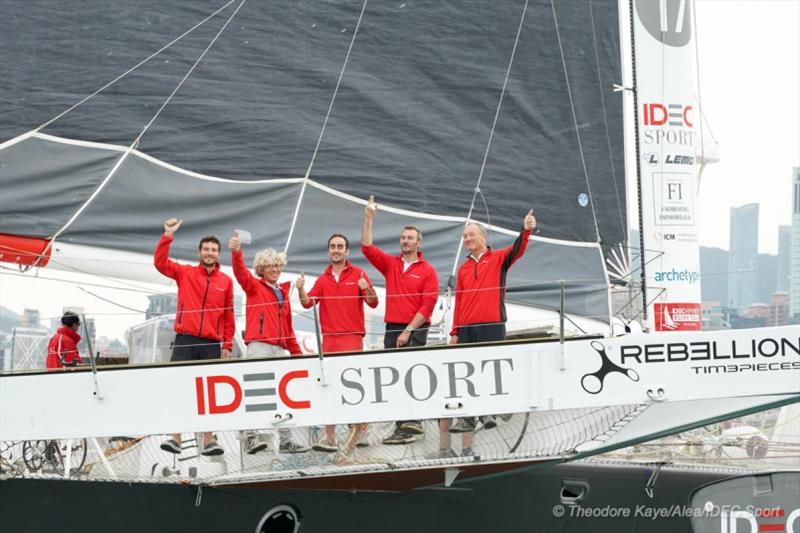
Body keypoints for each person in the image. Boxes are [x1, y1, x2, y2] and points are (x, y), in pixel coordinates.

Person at [441, 210, 536, 457]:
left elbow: (519, 250)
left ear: (483, 237)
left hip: (492, 324)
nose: (467, 238)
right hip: (467, 329)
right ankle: (471, 417)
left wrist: (525, 230)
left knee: (493, 369)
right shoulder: (462, 269)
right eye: (464, 236)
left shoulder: (498, 258)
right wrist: (454, 331)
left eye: (471, 234)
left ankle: (498, 408)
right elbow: (459, 301)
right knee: (468, 374)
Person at [361, 195, 439, 445]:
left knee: (411, 375)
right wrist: (369, 218)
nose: (405, 242)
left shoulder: (428, 270)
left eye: (410, 238)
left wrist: (408, 330)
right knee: (393, 376)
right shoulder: (391, 264)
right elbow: (367, 248)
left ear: (419, 242)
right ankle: (402, 426)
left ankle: (413, 423)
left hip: (414, 329)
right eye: (403, 238)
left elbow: (428, 306)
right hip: (392, 327)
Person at [155, 218, 235, 457]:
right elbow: (160, 263)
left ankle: (208, 440)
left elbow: (229, 315)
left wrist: (228, 343)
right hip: (185, 339)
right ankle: (176, 438)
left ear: (219, 254)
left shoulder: (226, 282)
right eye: (206, 249)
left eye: (213, 250)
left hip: (211, 343)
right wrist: (167, 236)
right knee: (180, 388)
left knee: (209, 392)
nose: (209, 253)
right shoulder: (185, 272)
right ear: (199, 252)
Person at [296, 234, 379, 452]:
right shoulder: (322, 279)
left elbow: (373, 302)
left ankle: (362, 429)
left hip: (352, 338)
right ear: (328, 251)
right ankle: (330, 437)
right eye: (332, 246)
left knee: (354, 386)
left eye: (340, 247)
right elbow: (307, 303)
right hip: (330, 340)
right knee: (329, 387)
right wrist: (300, 288)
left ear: (347, 251)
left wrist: (366, 288)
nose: (336, 250)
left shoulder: (359, 274)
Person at [229, 232, 309, 454]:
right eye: (270, 266)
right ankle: (251, 437)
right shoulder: (254, 287)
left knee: (282, 395)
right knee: (257, 392)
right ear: (261, 269)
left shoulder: (283, 292)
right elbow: (240, 272)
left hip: (280, 349)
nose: (274, 269)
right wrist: (237, 252)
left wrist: (298, 354)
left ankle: (285, 441)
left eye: (277, 266)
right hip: (259, 346)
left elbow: (289, 329)